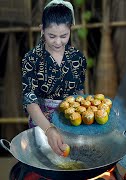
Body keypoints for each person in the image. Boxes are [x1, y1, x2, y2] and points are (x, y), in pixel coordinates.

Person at [21, 0, 86, 156]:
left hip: (72, 122)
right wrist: (49, 130)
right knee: (46, 163)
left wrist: (83, 121)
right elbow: (30, 101)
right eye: (52, 36)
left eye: (64, 36)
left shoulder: (77, 58)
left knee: (72, 163)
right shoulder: (31, 59)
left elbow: (79, 92)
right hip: (42, 124)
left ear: (70, 30)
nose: (58, 42)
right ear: (42, 30)